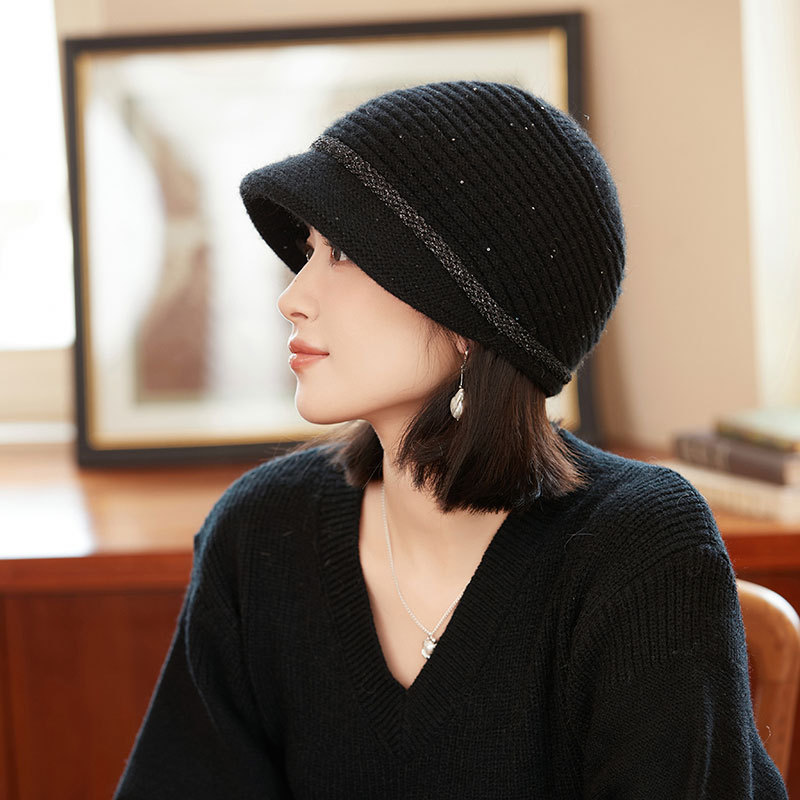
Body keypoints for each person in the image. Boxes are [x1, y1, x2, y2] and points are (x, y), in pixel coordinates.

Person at [113, 80, 788, 799]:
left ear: (471, 316)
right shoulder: (261, 534)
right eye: (309, 252)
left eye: (342, 254)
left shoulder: (639, 549)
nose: (292, 297)